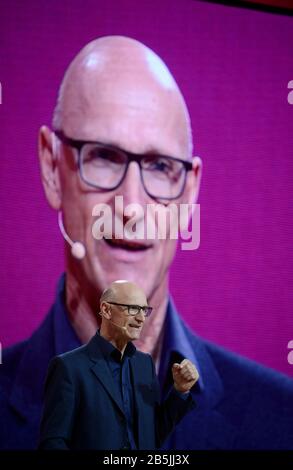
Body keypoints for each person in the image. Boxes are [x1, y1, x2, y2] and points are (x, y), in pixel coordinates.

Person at [1, 35, 293, 450]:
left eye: (159, 166)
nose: (133, 207)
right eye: (103, 156)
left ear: (189, 193)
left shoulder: (281, 423)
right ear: (52, 168)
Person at [39, 280, 198, 450]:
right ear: (107, 310)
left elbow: (152, 436)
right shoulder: (68, 367)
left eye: (144, 310)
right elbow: (53, 442)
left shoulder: (144, 365)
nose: (140, 318)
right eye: (133, 309)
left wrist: (180, 390)